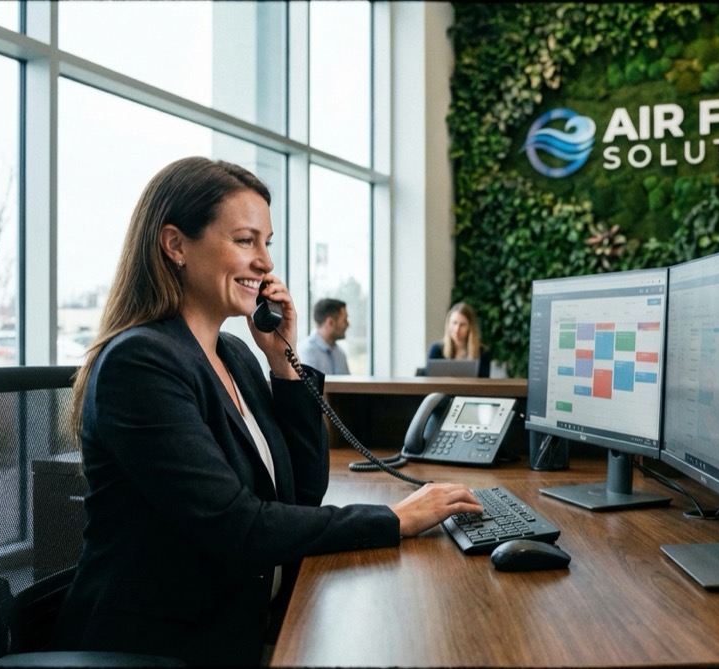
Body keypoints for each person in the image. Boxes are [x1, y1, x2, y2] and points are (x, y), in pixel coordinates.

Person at [51, 157, 481, 666]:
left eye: (266, 243)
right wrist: (392, 519)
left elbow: (302, 492)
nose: (265, 263)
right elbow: (238, 528)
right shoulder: (140, 364)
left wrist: (283, 364)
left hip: (241, 617)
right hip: (164, 645)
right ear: (175, 245)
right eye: (244, 240)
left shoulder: (233, 355)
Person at [428, 301, 491, 377]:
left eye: (463, 325)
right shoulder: (436, 350)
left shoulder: (483, 353)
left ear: (470, 328)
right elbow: (428, 380)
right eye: (454, 323)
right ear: (448, 324)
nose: (457, 329)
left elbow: (484, 384)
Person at [300, 298, 350, 374]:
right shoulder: (306, 353)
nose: (348, 325)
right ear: (330, 322)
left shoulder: (340, 353)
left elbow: (348, 385)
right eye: (345, 320)